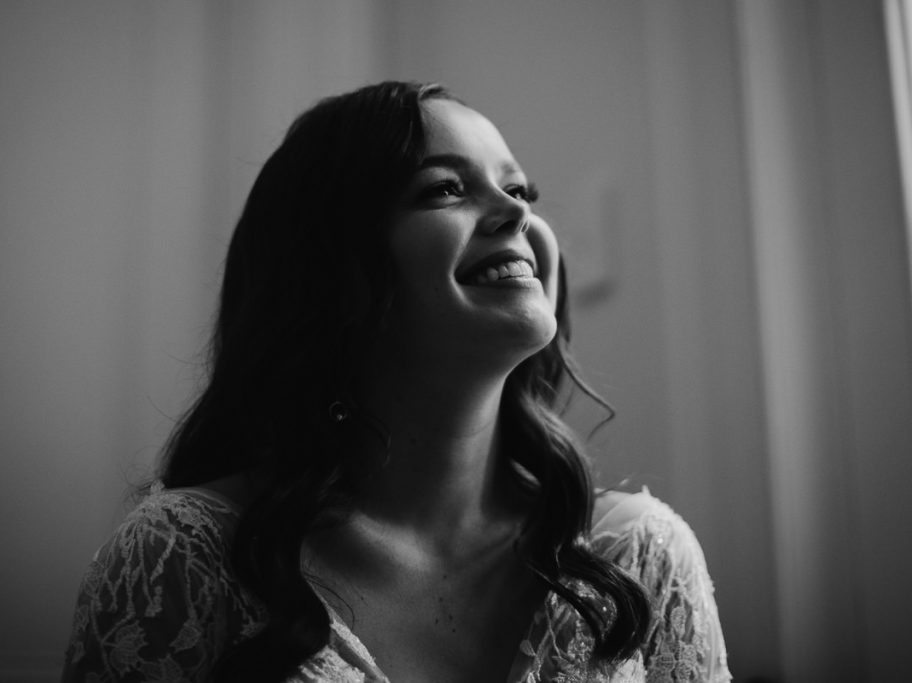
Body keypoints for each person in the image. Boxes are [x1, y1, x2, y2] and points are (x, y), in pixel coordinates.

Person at [62, 81, 730, 682]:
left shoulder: (641, 558)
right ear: (329, 267)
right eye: (445, 188)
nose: (515, 214)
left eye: (520, 191)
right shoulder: (178, 560)